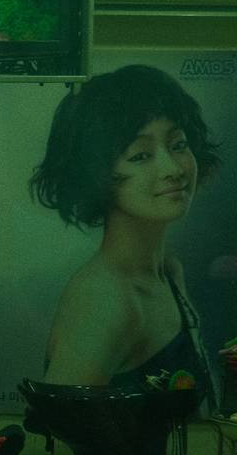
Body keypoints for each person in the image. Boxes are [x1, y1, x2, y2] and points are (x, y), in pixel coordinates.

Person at [31, 65, 219, 401]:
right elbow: (60, 436)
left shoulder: (168, 271)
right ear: (95, 171)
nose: (173, 170)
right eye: (141, 155)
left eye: (178, 144)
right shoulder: (105, 300)